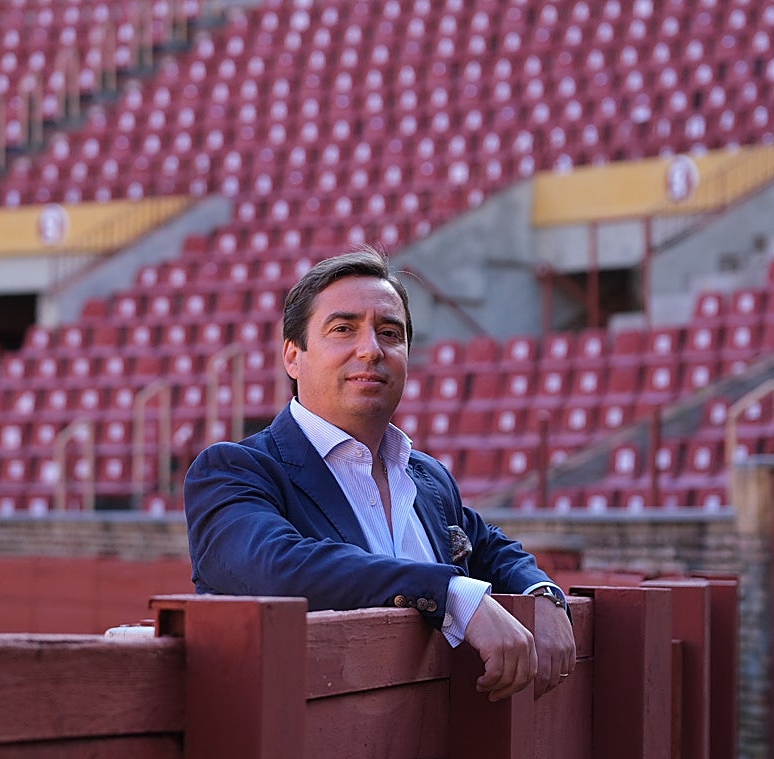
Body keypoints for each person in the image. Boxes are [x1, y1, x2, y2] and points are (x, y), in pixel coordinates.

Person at [183, 245, 576, 701]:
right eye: (343, 329)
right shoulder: (235, 470)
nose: (370, 350)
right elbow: (275, 569)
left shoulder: (426, 477)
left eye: (390, 333)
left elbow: (490, 547)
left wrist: (542, 594)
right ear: (293, 356)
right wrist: (449, 592)